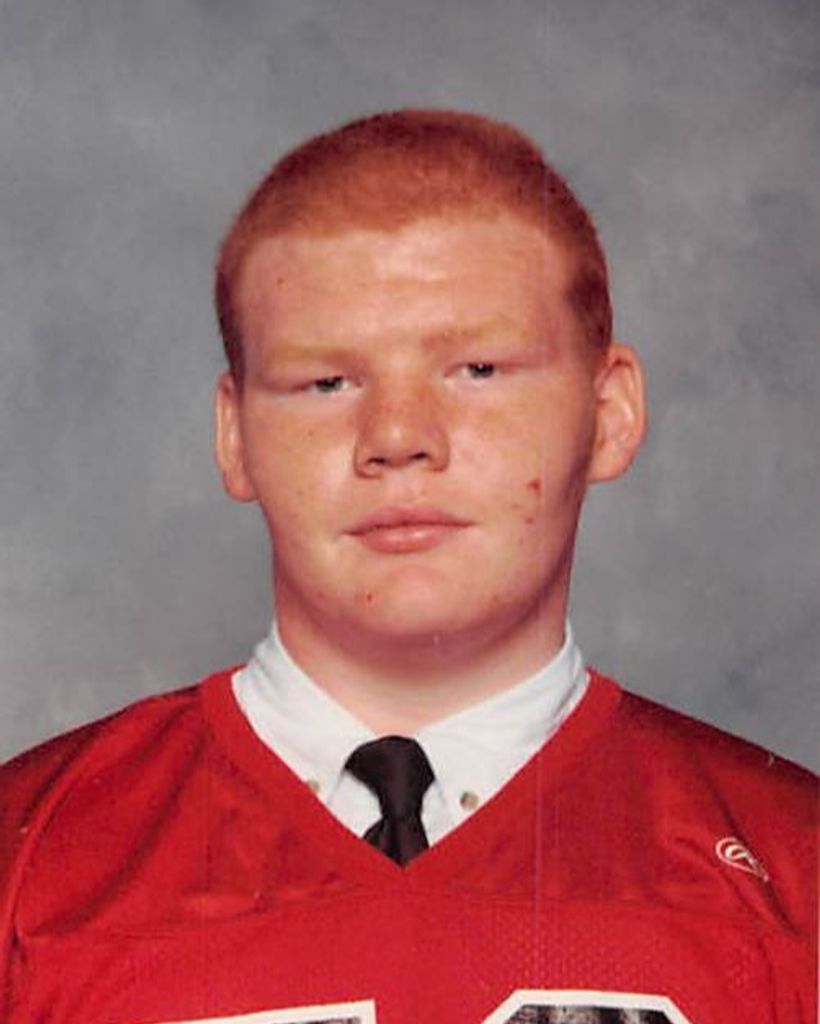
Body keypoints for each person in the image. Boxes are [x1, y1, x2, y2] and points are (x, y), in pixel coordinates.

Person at [0, 109, 815, 1024]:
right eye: (326, 383)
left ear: (610, 413)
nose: (396, 437)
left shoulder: (793, 869)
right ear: (234, 436)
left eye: (477, 369)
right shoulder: (28, 862)